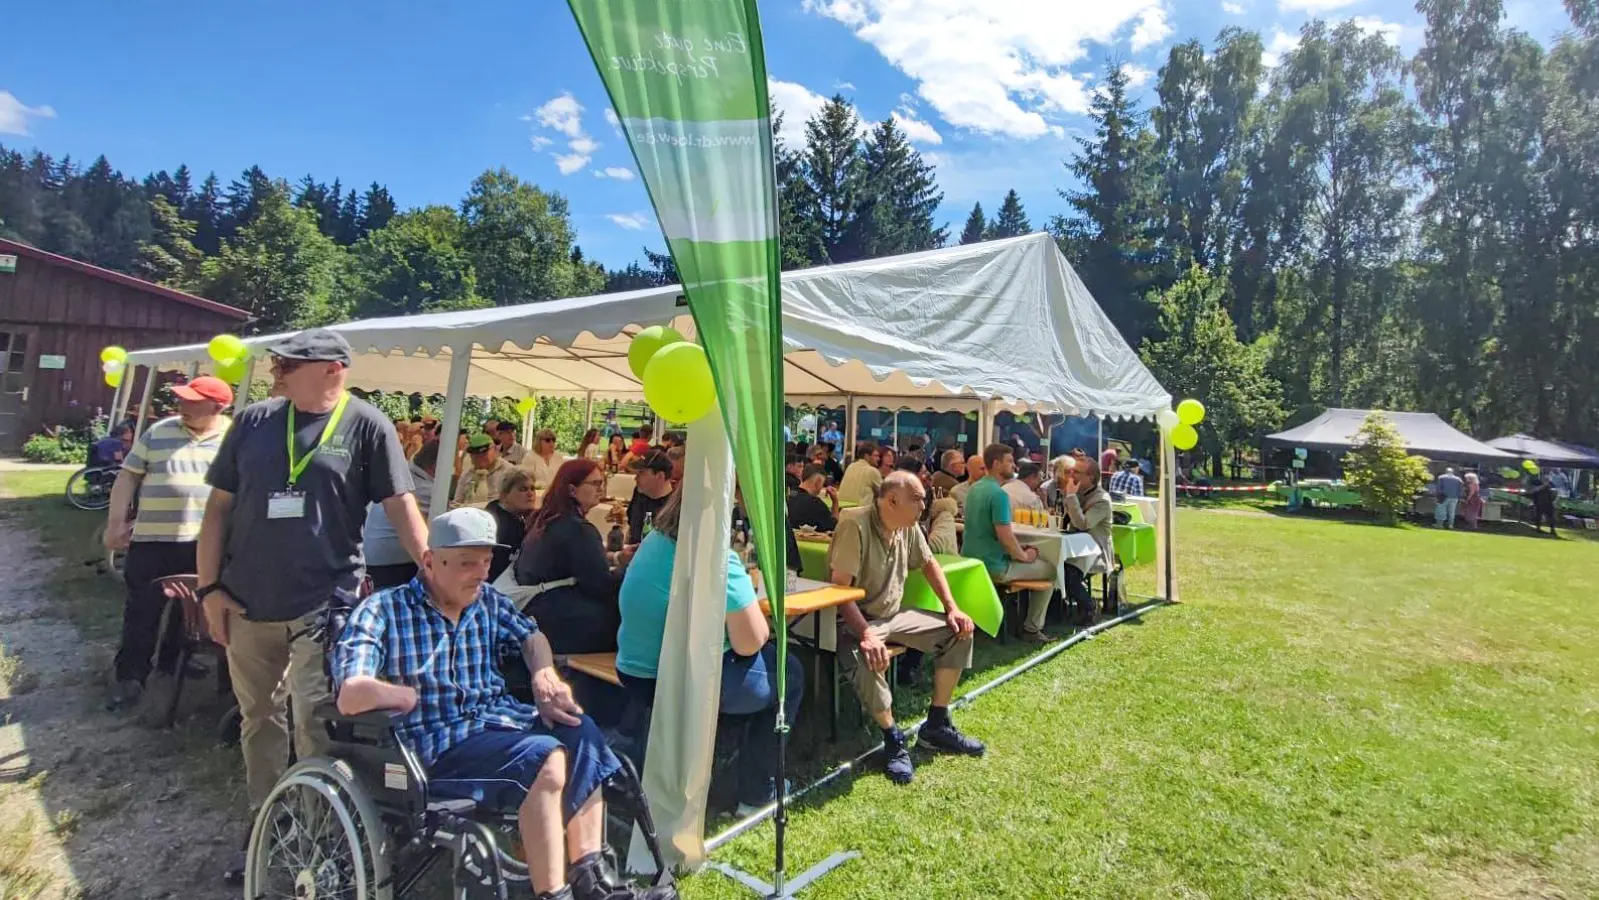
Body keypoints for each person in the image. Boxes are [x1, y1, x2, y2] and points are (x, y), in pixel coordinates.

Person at [334, 508, 674, 900]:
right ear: (429, 562)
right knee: (544, 757)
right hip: (434, 748)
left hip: (496, 724)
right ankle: (553, 894)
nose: (480, 574)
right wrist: (396, 694)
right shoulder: (384, 610)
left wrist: (543, 673)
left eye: (486, 562)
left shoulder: (487, 601)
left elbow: (531, 636)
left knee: (579, 729)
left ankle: (591, 877)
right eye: (467, 563)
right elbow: (350, 693)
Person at [196, 328, 427, 883]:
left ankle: (322, 833)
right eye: (277, 363)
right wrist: (208, 589)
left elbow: (400, 504)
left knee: (315, 721)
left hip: (325, 604)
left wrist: (433, 570)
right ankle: (269, 824)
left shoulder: (367, 425)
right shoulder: (253, 421)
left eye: (288, 365)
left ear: (332, 370)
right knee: (259, 717)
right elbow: (218, 509)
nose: (275, 372)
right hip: (246, 601)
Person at [616, 487, 803, 813]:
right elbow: (751, 642)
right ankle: (757, 790)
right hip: (679, 682)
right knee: (791, 672)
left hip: (635, 671)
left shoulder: (653, 542)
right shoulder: (717, 558)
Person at [827, 472, 983, 783]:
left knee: (960, 632)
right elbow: (840, 589)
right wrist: (866, 634)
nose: (924, 506)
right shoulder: (854, 523)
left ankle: (936, 724)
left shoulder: (908, 526)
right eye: (917, 499)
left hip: (893, 616)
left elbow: (929, 564)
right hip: (856, 620)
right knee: (866, 656)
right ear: (892, 500)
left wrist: (952, 608)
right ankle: (892, 738)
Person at [102, 376, 234, 710]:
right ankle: (131, 676)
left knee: (189, 612)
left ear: (217, 407)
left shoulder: (233, 437)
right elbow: (128, 476)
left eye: (193, 402)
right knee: (142, 611)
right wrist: (115, 523)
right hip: (152, 540)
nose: (182, 405)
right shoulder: (159, 431)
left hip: (203, 544)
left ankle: (172, 663)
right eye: (181, 399)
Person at [515, 459, 626, 653]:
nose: (601, 489)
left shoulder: (544, 519)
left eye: (602, 483)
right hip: (563, 623)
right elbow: (601, 584)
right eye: (595, 484)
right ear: (572, 490)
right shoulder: (578, 528)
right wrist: (630, 570)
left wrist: (615, 559)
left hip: (537, 613)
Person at [963, 444, 1057, 642]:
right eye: (1009, 461)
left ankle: (1016, 620)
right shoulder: (998, 495)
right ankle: (1032, 628)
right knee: (1052, 569)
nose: (1014, 466)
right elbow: (1005, 537)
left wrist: (1018, 551)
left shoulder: (974, 488)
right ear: (996, 464)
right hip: (994, 566)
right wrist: (1024, 556)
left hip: (970, 561)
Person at [366, 440, 440, 590]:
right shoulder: (425, 489)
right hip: (392, 563)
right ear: (435, 467)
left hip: (373, 556)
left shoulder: (402, 476)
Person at [1060, 458, 1114, 624]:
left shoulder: (1102, 500)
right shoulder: (1078, 492)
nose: (1071, 475)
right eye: (1071, 470)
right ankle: (1056, 608)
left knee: (1068, 573)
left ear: (1090, 477)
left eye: (1076, 472)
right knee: (1050, 563)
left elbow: (1082, 524)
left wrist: (1070, 496)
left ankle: (1090, 605)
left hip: (1094, 551)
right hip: (1074, 546)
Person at [485, 469, 537, 582]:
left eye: (533, 489)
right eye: (523, 489)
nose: (530, 494)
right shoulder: (500, 525)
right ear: (504, 496)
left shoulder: (498, 510)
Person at [626, 450, 674, 545]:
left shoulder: (673, 507)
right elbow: (631, 527)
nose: (635, 478)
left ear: (660, 476)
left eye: (641, 473)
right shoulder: (639, 493)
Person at [455, 432, 517, 506]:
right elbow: (457, 502)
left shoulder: (509, 472)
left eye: (484, 453)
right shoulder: (467, 474)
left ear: (495, 450)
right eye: (475, 454)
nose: (479, 458)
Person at [788, 464, 840, 532]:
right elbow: (835, 528)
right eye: (822, 484)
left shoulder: (789, 494)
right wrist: (835, 502)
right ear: (818, 482)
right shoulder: (816, 504)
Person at [838, 442, 884, 507]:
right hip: (861, 512)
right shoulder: (872, 471)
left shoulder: (851, 466)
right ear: (867, 456)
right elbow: (884, 494)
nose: (878, 459)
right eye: (876, 456)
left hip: (842, 510)